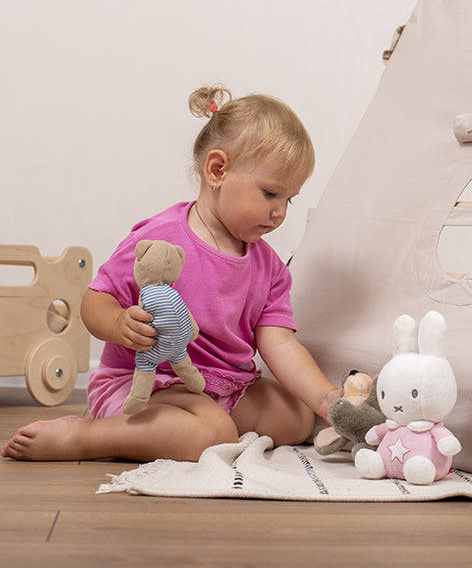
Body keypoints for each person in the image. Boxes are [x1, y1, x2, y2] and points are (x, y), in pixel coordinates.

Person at [3, 86, 341, 463]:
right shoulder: (159, 240)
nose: (280, 212)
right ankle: (86, 436)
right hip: (147, 384)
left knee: (296, 416)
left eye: (288, 199)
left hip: (221, 387)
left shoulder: (270, 269)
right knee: (211, 434)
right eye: (270, 193)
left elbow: (280, 345)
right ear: (217, 171)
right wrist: (118, 323)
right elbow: (95, 299)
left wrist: (327, 399)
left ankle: (194, 427)